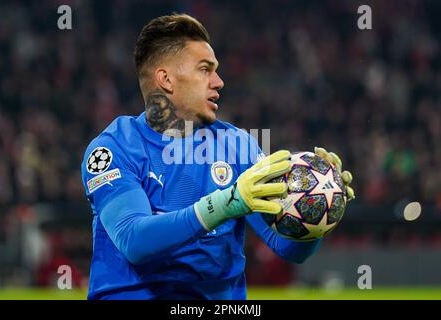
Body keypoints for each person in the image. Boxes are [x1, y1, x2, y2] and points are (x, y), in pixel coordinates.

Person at [80, 13, 354, 300]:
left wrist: (316, 207)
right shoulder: (113, 148)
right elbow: (134, 240)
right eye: (205, 70)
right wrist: (226, 204)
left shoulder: (238, 145)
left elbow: (285, 246)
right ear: (166, 79)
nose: (219, 81)